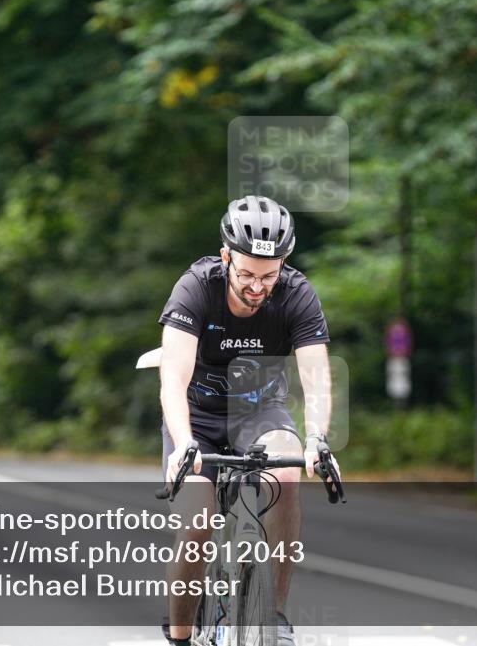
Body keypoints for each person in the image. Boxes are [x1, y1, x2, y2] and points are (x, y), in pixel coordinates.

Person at [159, 195, 340, 646]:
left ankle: (274, 616)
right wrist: (183, 443)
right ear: (226, 257)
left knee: (286, 472)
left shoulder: (297, 294)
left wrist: (317, 438)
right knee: (198, 522)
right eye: (246, 275)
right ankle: (180, 633)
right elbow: (173, 378)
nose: (258, 287)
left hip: (259, 411)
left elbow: (316, 376)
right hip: (197, 418)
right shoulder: (195, 288)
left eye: (269, 275)